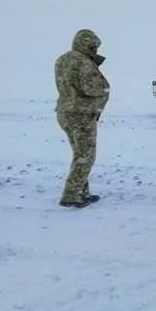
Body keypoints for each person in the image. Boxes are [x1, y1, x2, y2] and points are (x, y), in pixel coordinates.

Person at [54, 29, 110, 208]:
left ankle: (81, 192)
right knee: (86, 156)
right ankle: (71, 195)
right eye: (93, 46)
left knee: (79, 154)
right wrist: (104, 87)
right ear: (87, 44)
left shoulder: (62, 59)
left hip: (65, 112)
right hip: (81, 114)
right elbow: (91, 88)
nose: (95, 49)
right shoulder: (83, 62)